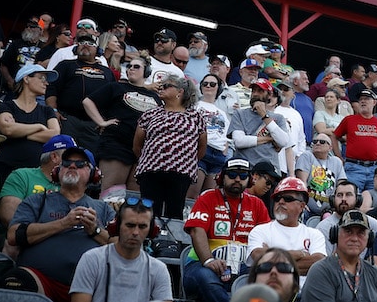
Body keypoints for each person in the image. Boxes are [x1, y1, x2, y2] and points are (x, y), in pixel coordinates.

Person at [6, 145, 114, 302]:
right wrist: (63, 223)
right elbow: (14, 235)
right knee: (17, 278)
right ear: (57, 171)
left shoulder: (103, 208)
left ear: (94, 174)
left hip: (90, 286)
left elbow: (120, 245)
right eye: (66, 163)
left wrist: (94, 230)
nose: (71, 166)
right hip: (40, 280)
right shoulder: (38, 200)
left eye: (80, 164)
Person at [184, 158, 272, 302]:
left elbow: (266, 239)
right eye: (232, 175)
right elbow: (196, 231)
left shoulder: (257, 204)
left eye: (243, 176)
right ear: (221, 177)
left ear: (249, 179)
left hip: (242, 266)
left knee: (271, 279)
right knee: (208, 280)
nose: (237, 179)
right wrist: (208, 260)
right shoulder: (207, 197)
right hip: (201, 264)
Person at [69, 199, 174, 302]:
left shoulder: (159, 269)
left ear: (151, 230)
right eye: (130, 225)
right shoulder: (92, 259)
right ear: (117, 226)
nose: (135, 232)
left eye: (142, 227)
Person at [82, 54, 159, 192]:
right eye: (129, 66)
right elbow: (87, 101)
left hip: (143, 151)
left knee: (133, 196)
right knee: (111, 191)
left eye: (136, 66)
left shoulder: (155, 97)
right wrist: (102, 122)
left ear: (146, 72)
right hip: (116, 145)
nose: (131, 69)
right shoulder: (116, 87)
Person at [134, 73, 207, 218]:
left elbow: (202, 147)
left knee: (175, 210)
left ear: (180, 92)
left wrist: (184, 160)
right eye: (161, 86)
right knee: (149, 211)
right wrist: (150, 159)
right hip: (151, 169)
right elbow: (137, 145)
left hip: (181, 172)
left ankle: (172, 241)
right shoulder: (151, 114)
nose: (161, 88)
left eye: (167, 86)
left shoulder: (195, 117)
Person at [301, 209, 377, 302]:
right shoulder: (321, 271)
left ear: (369, 239)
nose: (354, 238)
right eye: (348, 231)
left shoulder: (375, 274)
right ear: (335, 234)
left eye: (361, 233)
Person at [48, 31, 114, 154]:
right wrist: (54, 111)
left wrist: (105, 120)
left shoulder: (107, 72)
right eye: (82, 42)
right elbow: (52, 88)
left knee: (88, 160)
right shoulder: (65, 65)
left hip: (93, 125)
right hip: (67, 120)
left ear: (98, 50)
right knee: (60, 155)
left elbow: (112, 98)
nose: (85, 45)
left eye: (90, 43)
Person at [0, 63, 60, 183]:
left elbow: (54, 135)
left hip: (35, 172)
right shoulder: (7, 106)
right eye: (42, 78)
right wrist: (39, 126)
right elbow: (8, 129)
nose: (46, 83)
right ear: (26, 78)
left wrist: (19, 133)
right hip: (6, 167)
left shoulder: (46, 110)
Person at [247, 176, 328, 273]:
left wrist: (271, 259)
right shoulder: (260, 231)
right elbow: (258, 256)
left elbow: (318, 262)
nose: (281, 202)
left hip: (304, 288)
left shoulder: (315, 234)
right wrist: (301, 254)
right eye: (277, 198)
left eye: (287, 199)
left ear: (302, 206)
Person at [335, 89, 377, 190]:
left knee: (374, 199)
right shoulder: (349, 120)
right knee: (352, 198)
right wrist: (338, 156)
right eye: (361, 99)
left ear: (374, 102)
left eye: (366, 99)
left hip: (375, 169)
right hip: (353, 167)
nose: (362, 101)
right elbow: (334, 136)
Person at [316, 179, 377, 256]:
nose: (343, 199)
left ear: (358, 199)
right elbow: (324, 262)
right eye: (339, 195)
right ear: (333, 199)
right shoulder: (323, 227)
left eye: (348, 194)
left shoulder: (371, 222)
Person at [299, 132, 347, 217]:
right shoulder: (307, 156)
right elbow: (302, 182)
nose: (317, 143)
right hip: (307, 209)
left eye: (322, 142)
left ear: (330, 148)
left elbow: (342, 186)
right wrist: (302, 201)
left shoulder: (336, 161)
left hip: (329, 211)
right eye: (315, 141)